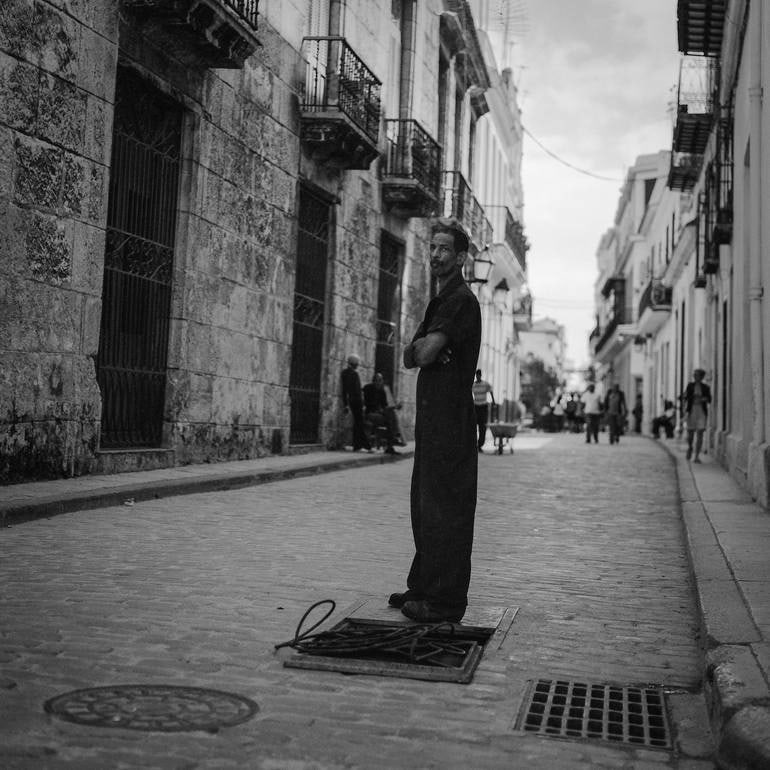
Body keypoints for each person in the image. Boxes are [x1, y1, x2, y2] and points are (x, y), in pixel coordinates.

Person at [389, 219, 481, 624]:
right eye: (433, 247)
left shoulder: (460, 300)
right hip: (434, 421)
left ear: (460, 258)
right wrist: (421, 348)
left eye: (444, 249)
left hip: (450, 423)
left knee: (445, 509)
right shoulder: (441, 301)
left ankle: (443, 602)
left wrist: (423, 349)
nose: (435, 255)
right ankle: (423, 587)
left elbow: (422, 355)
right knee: (426, 506)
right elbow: (409, 353)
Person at [341, 354, 372, 452]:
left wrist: (346, 403)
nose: (358, 365)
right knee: (359, 423)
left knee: (357, 423)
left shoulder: (344, 373)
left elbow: (344, 390)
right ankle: (366, 446)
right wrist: (362, 403)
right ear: (354, 364)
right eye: (357, 363)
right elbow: (357, 390)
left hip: (350, 400)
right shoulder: (354, 374)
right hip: (357, 401)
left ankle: (357, 445)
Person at [363, 372, 398, 454]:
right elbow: (367, 403)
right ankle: (390, 443)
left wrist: (394, 407)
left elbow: (384, 405)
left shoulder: (382, 391)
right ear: (373, 381)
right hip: (370, 412)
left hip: (379, 413)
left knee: (391, 417)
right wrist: (379, 409)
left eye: (380, 380)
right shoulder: (368, 388)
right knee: (389, 421)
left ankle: (391, 442)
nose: (378, 382)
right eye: (377, 380)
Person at [682, 368, 712, 462]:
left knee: (700, 433)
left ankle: (697, 456)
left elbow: (709, 399)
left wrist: (702, 399)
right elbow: (686, 397)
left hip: (701, 412)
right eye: (694, 375)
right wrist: (690, 397)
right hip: (691, 411)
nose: (695, 377)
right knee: (690, 434)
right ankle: (690, 447)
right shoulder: (690, 386)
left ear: (701, 377)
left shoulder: (705, 387)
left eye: (697, 375)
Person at [472, 369, 495, 452]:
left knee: (482, 427)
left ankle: (480, 444)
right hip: (475, 407)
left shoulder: (485, 384)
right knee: (474, 426)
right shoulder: (473, 385)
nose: (477, 377)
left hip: (483, 407)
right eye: (476, 375)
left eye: (479, 375)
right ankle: (474, 444)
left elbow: (491, 391)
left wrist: (493, 401)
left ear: (480, 375)